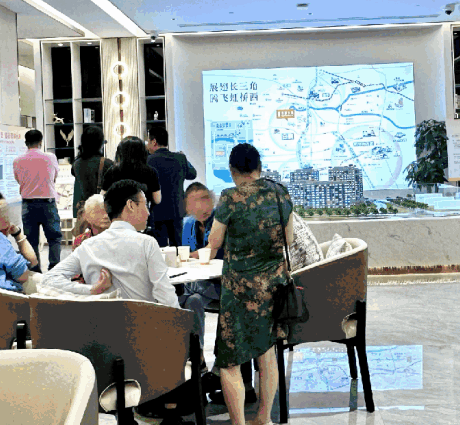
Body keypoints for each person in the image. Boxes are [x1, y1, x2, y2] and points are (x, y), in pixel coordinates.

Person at [41, 180, 206, 350]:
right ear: (131, 205)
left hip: (102, 342)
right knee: (194, 302)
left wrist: (91, 290)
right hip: (146, 340)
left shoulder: (87, 246)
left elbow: (48, 280)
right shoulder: (147, 243)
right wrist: (180, 334)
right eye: (145, 205)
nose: (148, 212)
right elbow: (165, 296)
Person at [207, 143, 294, 425]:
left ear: (233, 171)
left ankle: (239, 424)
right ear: (259, 167)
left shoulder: (230, 198)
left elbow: (214, 242)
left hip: (239, 291)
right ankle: (264, 419)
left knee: (229, 360)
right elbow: (289, 238)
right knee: (267, 354)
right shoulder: (280, 192)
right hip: (274, 287)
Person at [179, 182, 257, 404]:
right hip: (205, 284)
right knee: (190, 300)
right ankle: (198, 361)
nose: (202, 206)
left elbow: (213, 253)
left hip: (228, 284)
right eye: (195, 201)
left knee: (228, 307)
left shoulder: (223, 221)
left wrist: (192, 256)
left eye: (205, 199)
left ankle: (228, 377)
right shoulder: (188, 225)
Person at [12, 129, 63, 271]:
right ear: (41, 142)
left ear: (26, 143)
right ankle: (54, 269)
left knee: (31, 240)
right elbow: (54, 177)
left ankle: (35, 271)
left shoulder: (17, 160)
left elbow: (19, 180)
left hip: (28, 204)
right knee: (54, 238)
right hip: (48, 204)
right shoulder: (50, 157)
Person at [146, 127, 197, 248]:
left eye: (148, 141)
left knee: (160, 248)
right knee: (178, 248)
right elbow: (193, 174)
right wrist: (185, 158)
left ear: (154, 142)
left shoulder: (149, 160)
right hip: (177, 211)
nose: (147, 145)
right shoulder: (180, 158)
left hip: (158, 211)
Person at [101, 136, 162, 206]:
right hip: (141, 211)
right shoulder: (151, 172)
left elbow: (102, 198)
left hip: (118, 211)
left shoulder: (111, 172)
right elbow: (157, 200)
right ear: (143, 152)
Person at [71, 126, 113, 218]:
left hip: (82, 211)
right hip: (101, 211)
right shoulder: (107, 163)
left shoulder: (76, 163)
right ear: (100, 143)